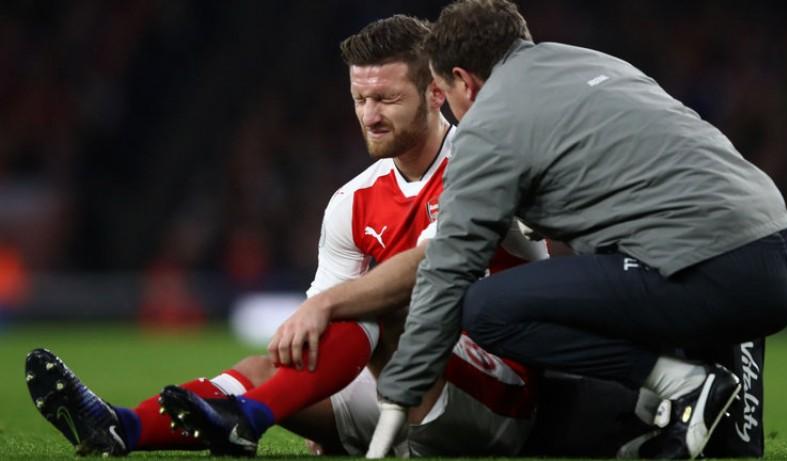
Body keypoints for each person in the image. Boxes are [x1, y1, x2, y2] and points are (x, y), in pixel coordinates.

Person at [25, 15, 546, 458]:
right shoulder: (352, 201)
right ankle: (120, 427)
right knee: (266, 367)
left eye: (386, 98)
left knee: (381, 302)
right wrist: (310, 373)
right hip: (406, 396)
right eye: (360, 98)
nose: (370, 116)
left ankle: (249, 417)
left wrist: (329, 306)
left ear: (435, 92)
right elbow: (321, 328)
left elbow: (429, 266)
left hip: (498, 396)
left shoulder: (482, 162)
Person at [371, 1, 787, 459]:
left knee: (486, 307)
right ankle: (721, 425)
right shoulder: (595, 64)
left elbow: (448, 269)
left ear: (463, 80)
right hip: (779, 252)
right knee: (724, 451)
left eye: (447, 93)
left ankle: (678, 383)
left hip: (711, 270)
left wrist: (401, 392)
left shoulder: (487, 123)